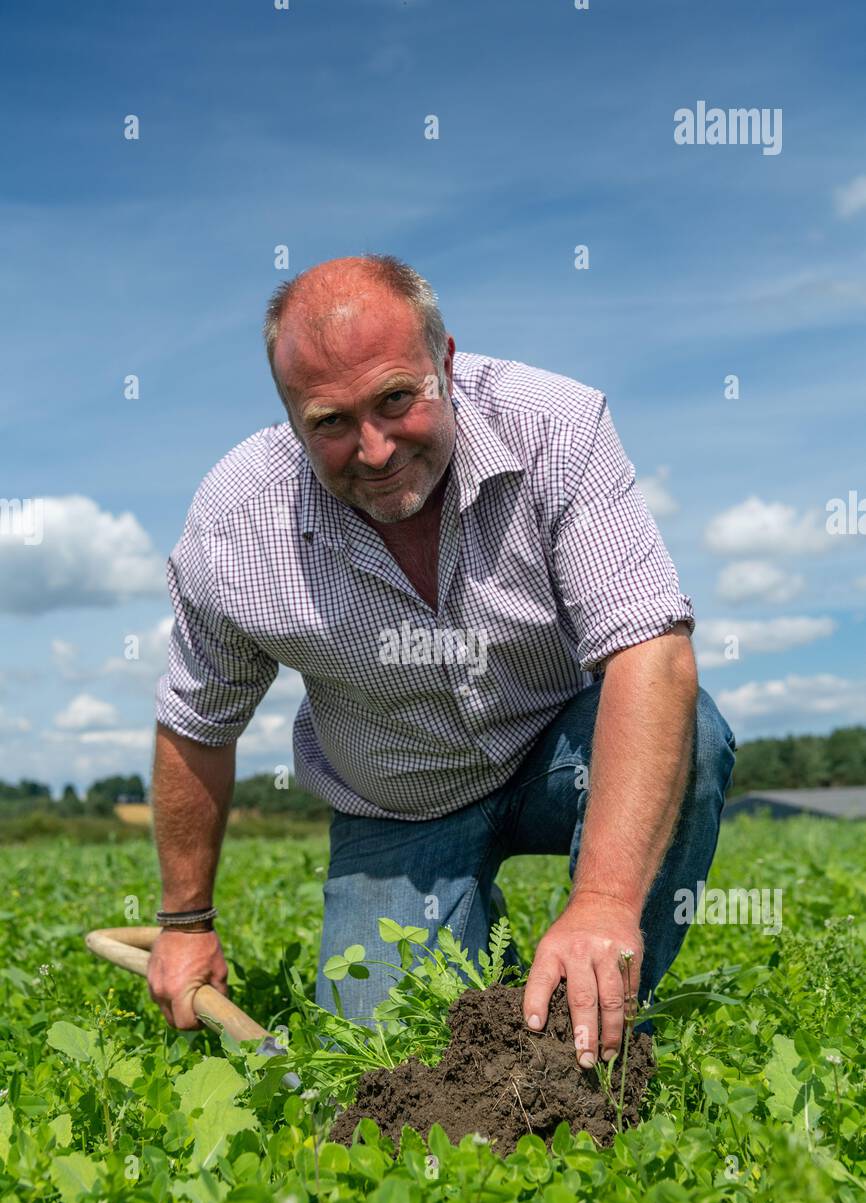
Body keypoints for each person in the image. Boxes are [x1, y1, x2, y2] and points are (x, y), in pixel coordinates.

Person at [149, 253, 736, 1070]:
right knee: (389, 1060)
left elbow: (651, 653)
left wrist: (602, 902)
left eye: (397, 399)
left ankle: (590, 1047)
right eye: (330, 422)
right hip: (398, 804)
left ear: (446, 364)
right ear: (291, 419)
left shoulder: (556, 425)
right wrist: (185, 927)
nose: (377, 450)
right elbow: (195, 725)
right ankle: (479, 956)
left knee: (691, 730)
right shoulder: (235, 526)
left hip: (554, 754)